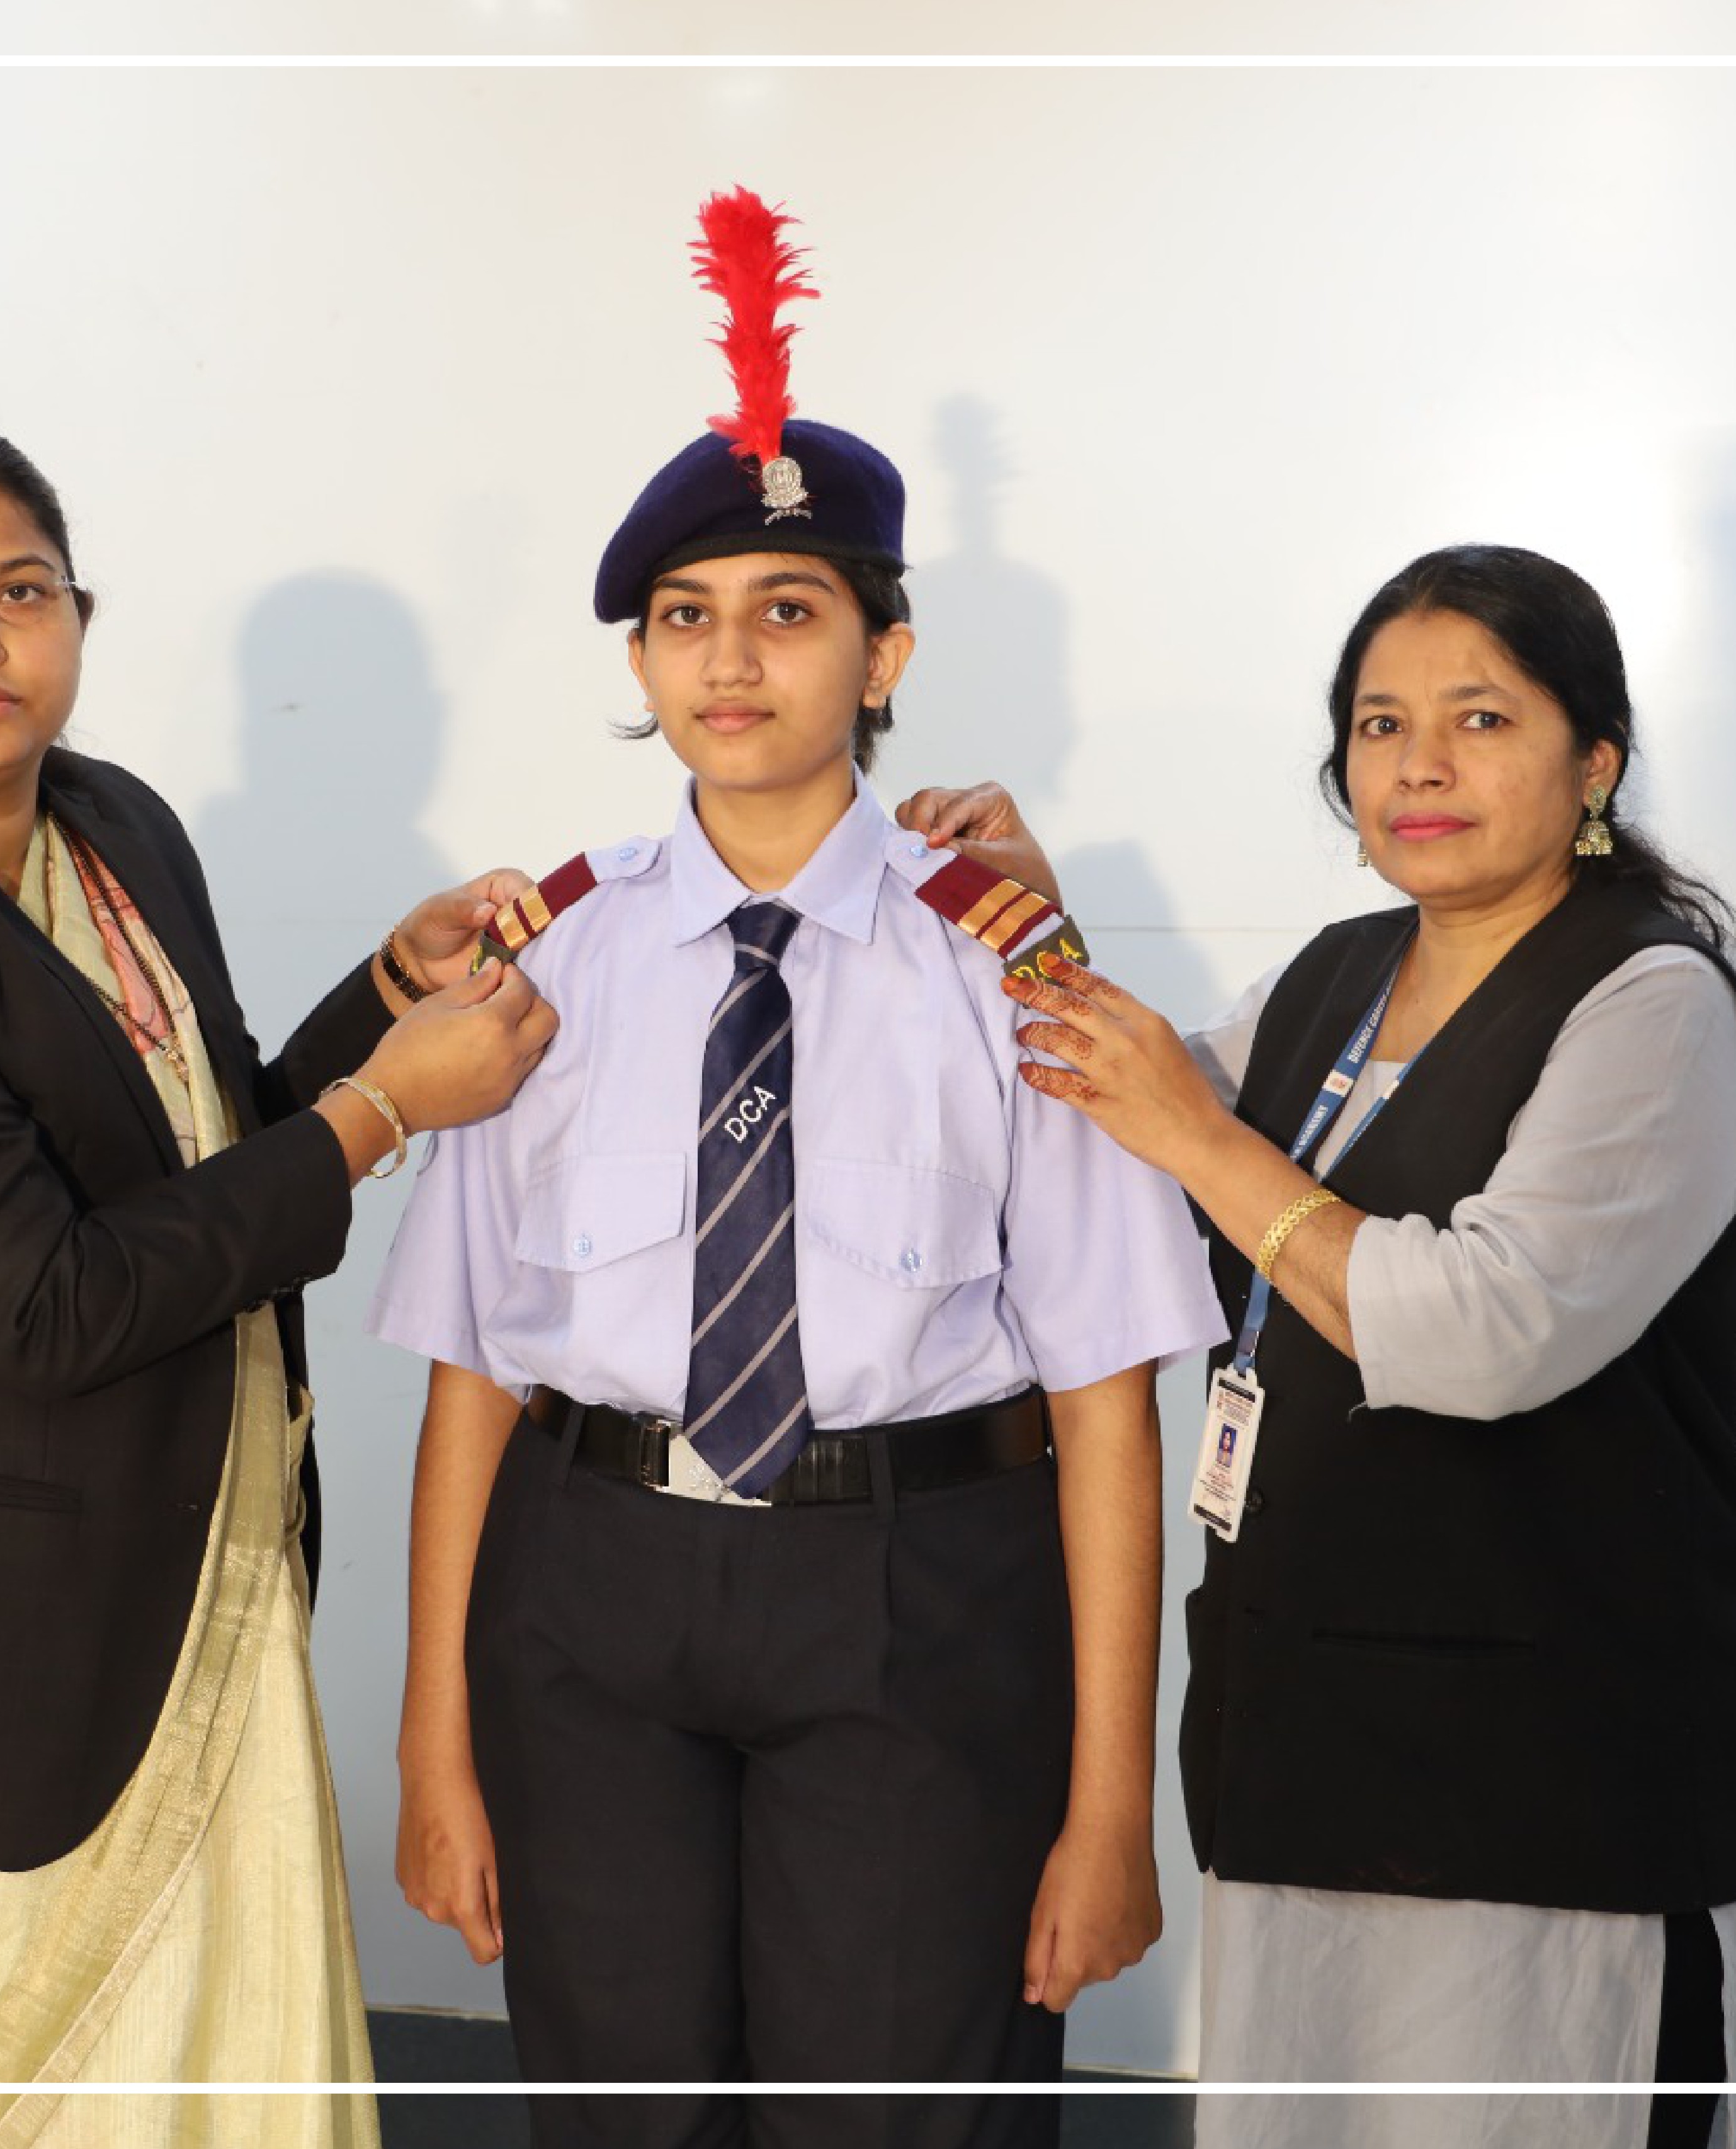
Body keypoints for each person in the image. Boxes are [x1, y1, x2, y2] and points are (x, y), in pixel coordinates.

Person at [371, 190, 1221, 2149]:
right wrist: (434, 1737)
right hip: (593, 1591)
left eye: (786, 610)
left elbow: (1107, 1397)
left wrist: (1112, 1804)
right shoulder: (550, 957)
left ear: (883, 646)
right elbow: (473, 1369)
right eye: (684, 616)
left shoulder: (1003, 960)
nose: (729, 658)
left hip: (918, 1587)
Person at [0, 418, 555, 2136]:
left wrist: (386, 995)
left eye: (19, 591)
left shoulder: (111, 823)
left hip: (188, 1587)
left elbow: (204, 1152)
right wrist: (387, 1111)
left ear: (79, 612)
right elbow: (46, 1300)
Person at [903, 544, 1736, 2149]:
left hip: (1562, 1780)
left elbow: (1483, 1328)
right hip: (1308, 1732)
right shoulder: (1339, 971)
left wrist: (1197, 1132)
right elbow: (1131, 1156)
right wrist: (1035, 938)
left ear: (1595, 763)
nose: (1420, 764)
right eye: (1381, 725)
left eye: (1481, 718)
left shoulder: (1650, 1001)